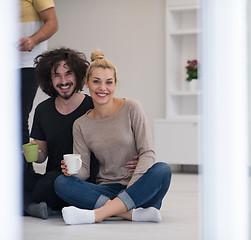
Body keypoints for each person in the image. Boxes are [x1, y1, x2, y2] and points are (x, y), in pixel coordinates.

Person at [54, 50, 172, 225]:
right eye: (96, 82)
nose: (103, 88)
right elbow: (84, 171)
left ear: (115, 84)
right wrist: (72, 171)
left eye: (109, 82)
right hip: (107, 190)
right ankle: (132, 214)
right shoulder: (80, 124)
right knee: (61, 182)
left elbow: (147, 152)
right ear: (87, 83)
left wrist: (132, 190)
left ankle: (98, 214)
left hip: (137, 187)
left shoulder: (132, 107)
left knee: (163, 170)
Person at [23, 47, 139, 219]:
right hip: (54, 179)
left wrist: (132, 156)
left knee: (53, 181)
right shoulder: (43, 110)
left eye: (68, 74)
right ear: (50, 79)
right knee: (17, 176)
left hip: (86, 182)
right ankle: (33, 205)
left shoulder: (93, 105)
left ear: (78, 76)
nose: (63, 81)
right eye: (57, 75)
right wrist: (32, 152)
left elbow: (115, 137)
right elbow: (42, 156)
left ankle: (29, 206)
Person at [19, 0, 59, 173]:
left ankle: (24, 176)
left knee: (16, 118)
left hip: (25, 65)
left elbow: (52, 23)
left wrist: (32, 40)